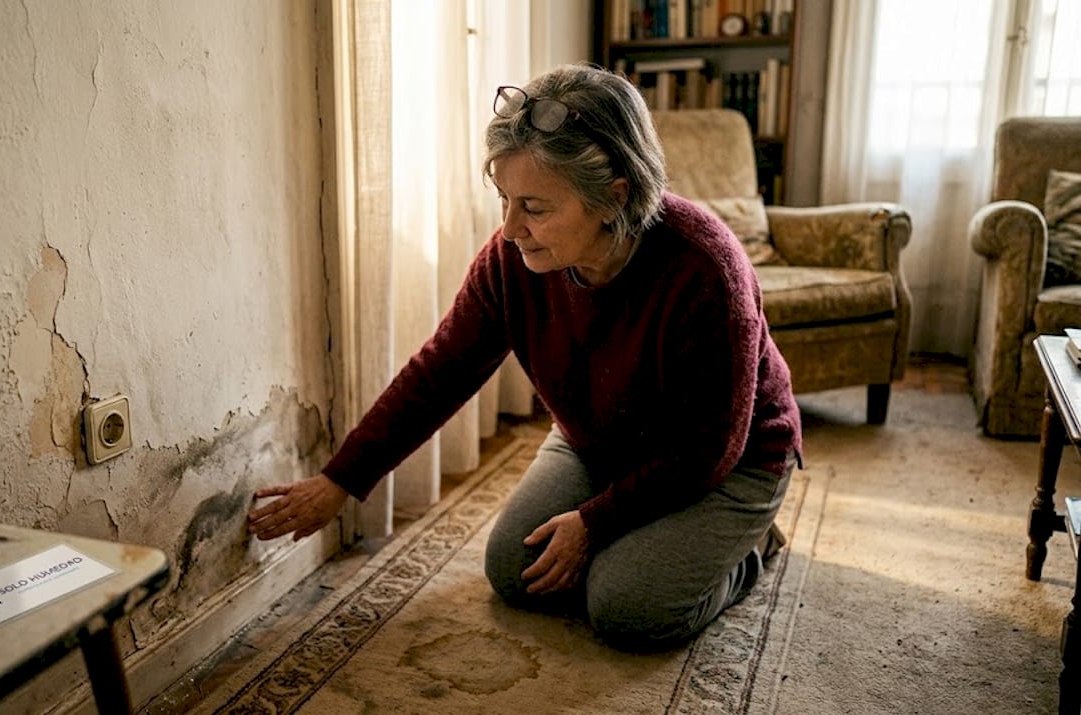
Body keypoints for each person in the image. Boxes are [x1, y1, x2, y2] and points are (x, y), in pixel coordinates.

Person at [248, 62, 802, 651]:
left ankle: (750, 548)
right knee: (514, 572)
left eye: (534, 208)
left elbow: (708, 448)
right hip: (598, 439)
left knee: (627, 609)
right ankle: (652, 541)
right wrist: (342, 479)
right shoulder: (513, 260)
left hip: (729, 459)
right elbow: (442, 369)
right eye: (504, 200)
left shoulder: (705, 267)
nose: (511, 229)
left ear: (614, 197)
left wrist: (595, 523)